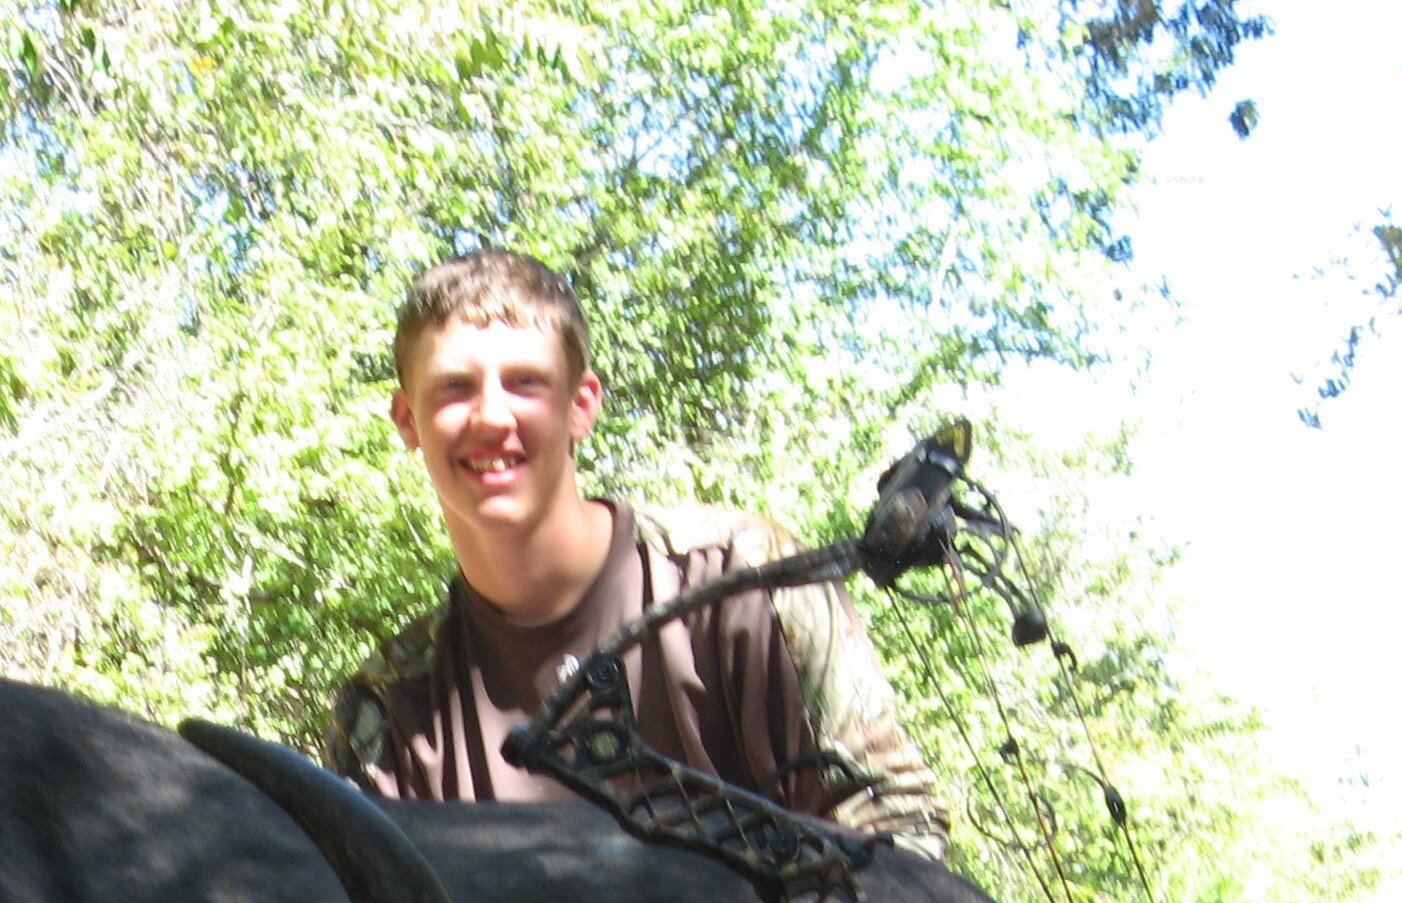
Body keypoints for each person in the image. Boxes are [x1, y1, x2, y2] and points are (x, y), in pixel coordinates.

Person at [325, 249, 948, 855]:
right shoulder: (393, 709)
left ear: (582, 405)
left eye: (525, 383)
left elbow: (901, 833)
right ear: (408, 420)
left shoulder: (742, 578)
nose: (491, 417)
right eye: (455, 389)